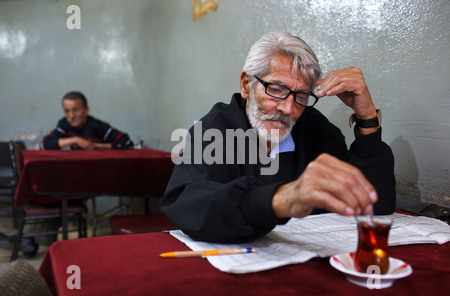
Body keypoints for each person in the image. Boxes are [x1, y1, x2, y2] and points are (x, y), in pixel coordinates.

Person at [160, 32, 396, 243]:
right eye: (276, 89)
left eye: (301, 96)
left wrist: (366, 117)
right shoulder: (214, 132)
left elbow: (374, 204)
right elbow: (188, 204)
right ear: (246, 85)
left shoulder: (315, 129)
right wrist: (280, 200)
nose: (288, 108)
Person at [40, 91, 133, 150]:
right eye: (67, 111)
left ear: (86, 110)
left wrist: (94, 146)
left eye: (76, 110)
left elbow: (127, 144)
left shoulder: (98, 126)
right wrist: (76, 140)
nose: (71, 116)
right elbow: (44, 145)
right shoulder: (65, 124)